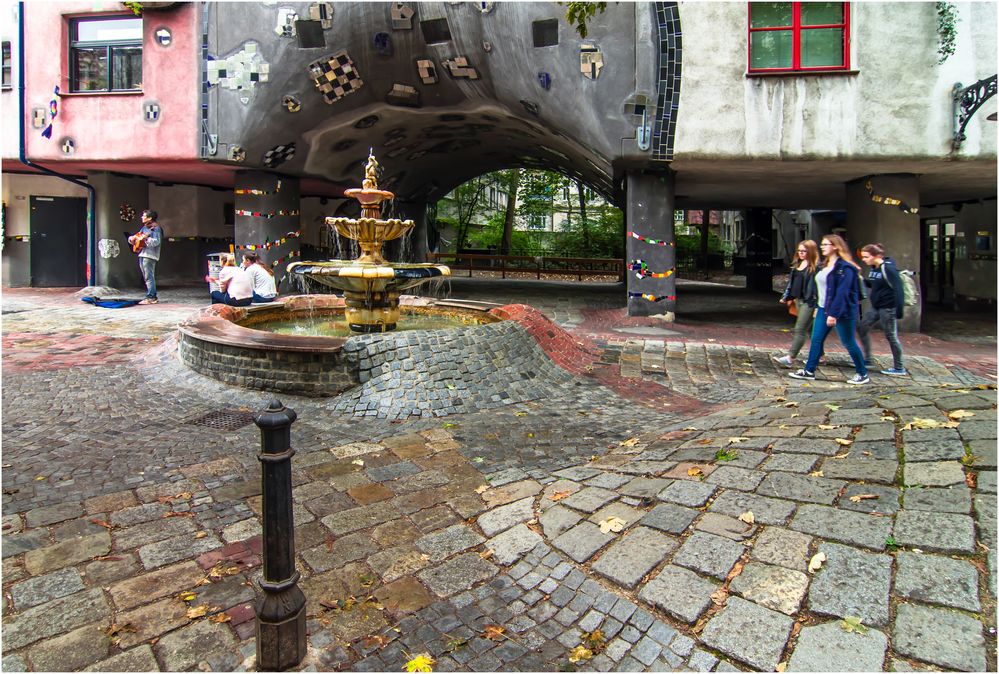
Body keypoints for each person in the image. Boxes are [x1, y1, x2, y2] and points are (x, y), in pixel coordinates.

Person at [789, 234, 869, 385]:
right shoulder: (824, 265)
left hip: (841, 312)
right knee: (816, 340)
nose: (822, 247)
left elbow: (842, 293)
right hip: (822, 308)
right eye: (822, 244)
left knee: (848, 342)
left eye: (826, 244)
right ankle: (809, 370)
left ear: (836, 247)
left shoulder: (846, 268)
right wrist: (818, 306)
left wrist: (833, 314)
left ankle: (862, 373)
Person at [858, 243, 907, 376]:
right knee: (862, 327)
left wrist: (899, 310)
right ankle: (868, 359)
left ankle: (899, 367)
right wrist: (861, 279)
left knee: (891, 335)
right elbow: (873, 284)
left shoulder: (888, 268)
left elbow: (898, 289)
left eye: (866, 257)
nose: (864, 259)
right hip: (876, 306)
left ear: (876, 256)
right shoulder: (875, 268)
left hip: (888, 307)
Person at [774, 240, 819, 367]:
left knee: (800, 329)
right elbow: (792, 284)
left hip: (809, 301)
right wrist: (786, 296)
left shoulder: (815, 267)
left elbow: (818, 288)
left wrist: (817, 305)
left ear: (811, 252)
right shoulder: (798, 264)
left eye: (804, 251)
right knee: (808, 330)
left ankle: (790, 357)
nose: (801, 253)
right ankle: (821, 356)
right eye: (799, 251)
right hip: (798, 300)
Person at [128, 210, 162, 305]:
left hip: (150, 255)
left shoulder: (156, 228)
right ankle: (150, 295)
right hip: (142, 253)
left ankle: (152, 297)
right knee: (146, 276)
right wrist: (132, 239)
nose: (142, 217)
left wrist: (146, 238)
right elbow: (137, 237)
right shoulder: (144, 228)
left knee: (149, 276)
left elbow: (156, 242)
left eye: (144, 216)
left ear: (150, 218)